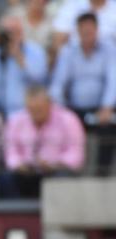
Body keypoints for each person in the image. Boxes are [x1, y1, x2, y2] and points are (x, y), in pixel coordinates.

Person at [49, 12, 116, 169]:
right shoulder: (68, 52)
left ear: (97, 30)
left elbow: (113, 81)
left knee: (109, 128)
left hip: (101, 109)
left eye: (90, 31)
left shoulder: (109, 50)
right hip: (74, 109)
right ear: (77, 31)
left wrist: (106, 107)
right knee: (57, 125)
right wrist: (62, 110)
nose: (87, 35)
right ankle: (65, 170)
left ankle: (102, 171)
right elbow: (58, 85)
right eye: (83, 32)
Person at [4, 85, 86, 197]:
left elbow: (76, 154)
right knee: (7, 178)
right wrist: (20, 165)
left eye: (39, 109)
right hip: (27, 172)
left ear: (50, 105)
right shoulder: (16, 120)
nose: (35, 113)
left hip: (57, 171)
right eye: (31, 109)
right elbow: (11, 152)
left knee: (63, 177)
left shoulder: (69, 119)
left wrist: (55, 165)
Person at [0, 16, 49, 116]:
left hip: (24, 112)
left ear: (21, 32)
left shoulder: (35, 51)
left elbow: (39, 78)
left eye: (13, 32)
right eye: (6, 33)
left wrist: (18, 56)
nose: (9, 36)